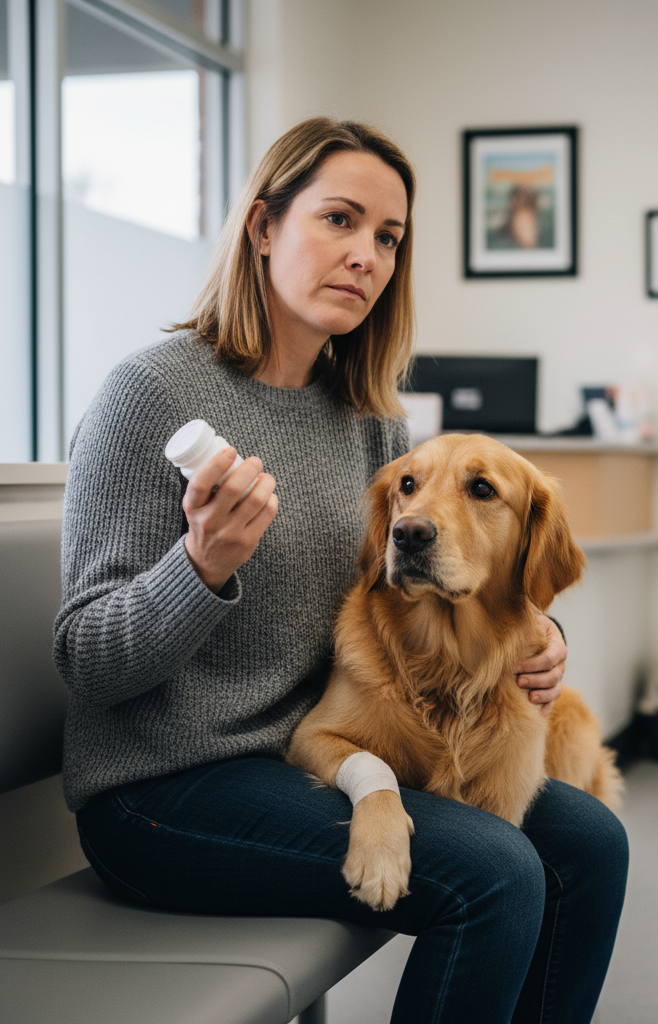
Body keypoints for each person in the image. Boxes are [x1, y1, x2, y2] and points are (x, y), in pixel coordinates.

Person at [54, 117, 628, 1024]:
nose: (365, 255)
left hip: (317, 757)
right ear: (264, 226)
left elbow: (437, 583)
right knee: (497, 875)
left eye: (388, 237)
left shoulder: (372, 420)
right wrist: (198, 569)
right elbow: (88, 661)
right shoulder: (153, 393)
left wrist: (543, 634)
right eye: (340, 220)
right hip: (164, 790)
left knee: (591, 840)